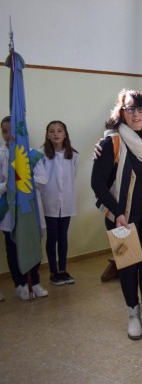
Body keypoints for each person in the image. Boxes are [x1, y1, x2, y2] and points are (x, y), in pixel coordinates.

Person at [91, 90, 142, 341]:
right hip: (120, 217)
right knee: (127, 265)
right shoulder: (109, 142)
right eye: (131, 109)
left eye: (141, 109)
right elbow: (98, 185)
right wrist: (118, 213)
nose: (137, 114)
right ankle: (133, 315)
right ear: (122, 112)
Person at [0, 116, 49, 300]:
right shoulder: (0, 154)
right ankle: (19, 284)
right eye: (4, 131)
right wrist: (8, 186)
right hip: (9, 211)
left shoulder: (32, 154)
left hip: (30, 209)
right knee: (12, 248)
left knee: (32, 246)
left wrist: (23, 181)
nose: (8, 135)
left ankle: (34, 282)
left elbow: (43, 181)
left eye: (12, 131)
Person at [35, 120, 78, 286]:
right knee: (52, 236)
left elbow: (72, 176)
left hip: (66, 201)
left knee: (63, 236)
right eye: (52, 131)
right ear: (47, 134)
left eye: (59, 131)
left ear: (65, 134)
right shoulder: (41, 154)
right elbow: (40, 179)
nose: (56, 134)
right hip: (50, 200)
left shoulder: (72, 155)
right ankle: (54, 272)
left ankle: (63, 270)